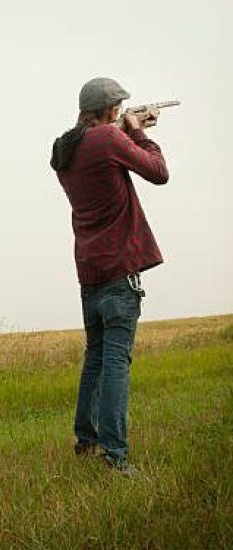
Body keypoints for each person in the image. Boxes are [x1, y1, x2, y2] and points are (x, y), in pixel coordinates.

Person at [50, 77, 169, 475]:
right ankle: (115, 456)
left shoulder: (64, 148)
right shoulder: (107, 139)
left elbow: (98, 147)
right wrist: (138, 133)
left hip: (89, 268)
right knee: (117, 359)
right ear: (111, 110)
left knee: (96, 357)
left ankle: (86, 439)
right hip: (119, 268)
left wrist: (126, 131)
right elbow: (158, 172)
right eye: (119, 108)